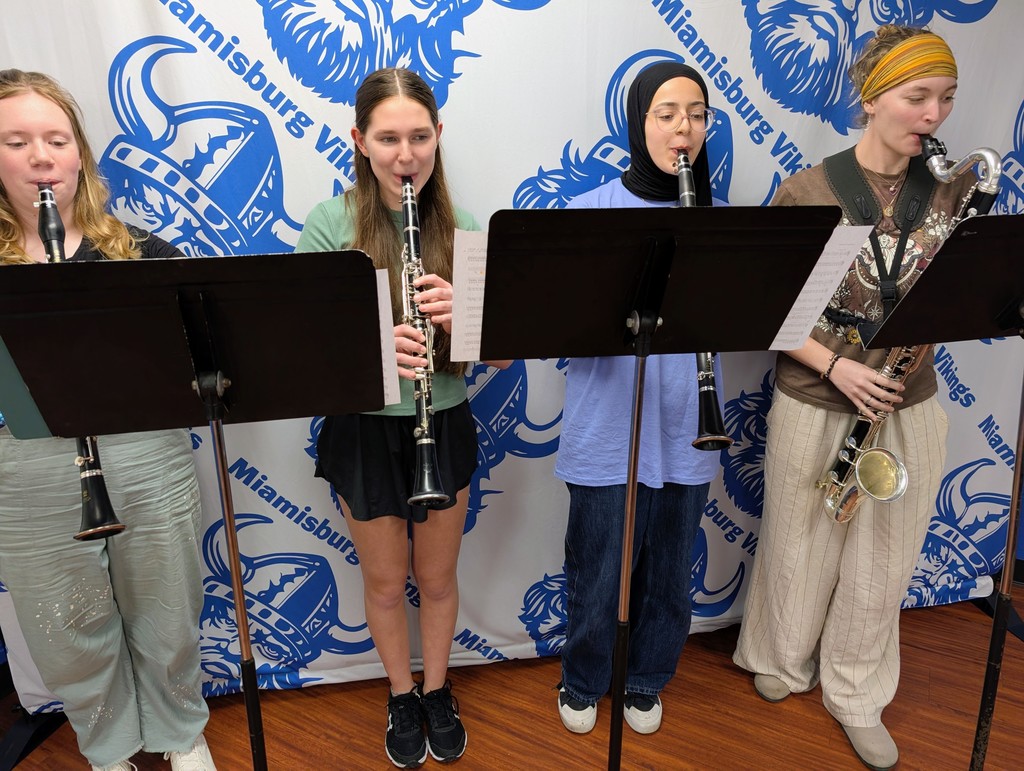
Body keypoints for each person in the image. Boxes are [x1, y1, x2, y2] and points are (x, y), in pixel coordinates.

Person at [732, 26, 974, 771]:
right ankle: (780, 655)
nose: (934, 115)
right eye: (917, 97)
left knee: (886, 556)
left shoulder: (956, 191)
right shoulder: (808, 190)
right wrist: (837, 368)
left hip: (907, 400)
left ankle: (858, 691)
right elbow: (768, 308)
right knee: (798, 539)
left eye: (945, 99)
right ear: (871, 100)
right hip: (818, 393)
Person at [0, 70, 215, 770]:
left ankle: (180, 732)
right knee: (66, 625)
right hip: (26, 463)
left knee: (167, 605)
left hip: (144, 452)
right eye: (17, 142)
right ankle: (108, 746)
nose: (41, 157)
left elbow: (202, 361)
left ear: (80, 155)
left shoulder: (142, 254)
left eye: (57, 140)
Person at [296, 67, 506, 769]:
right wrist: (376, 348)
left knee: (437, 580)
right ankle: (400, 693)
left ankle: (438, 689)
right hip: (363, 430)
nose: (406, 155)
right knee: (386, 582)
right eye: (388, 139)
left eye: (419, 137)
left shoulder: (462, 227)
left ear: (438, 135)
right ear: (359, 140)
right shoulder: (330, 225)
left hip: (441, 422)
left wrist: (463, 321)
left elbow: (503, 354)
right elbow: (302, 352)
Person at [553, 62, 722, 737]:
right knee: (597, 573)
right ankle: (584, 678)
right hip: (607, 426)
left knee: (670, 575)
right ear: (637, 122)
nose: (685, 128)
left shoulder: (720, 222)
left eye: (697, 114)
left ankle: (648, 677)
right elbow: (561, 326)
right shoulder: (589, 213)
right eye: (667, 113)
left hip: (688, 424)